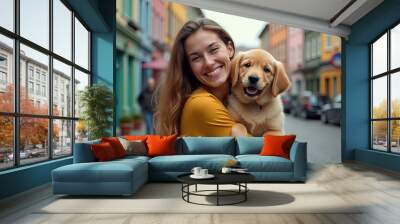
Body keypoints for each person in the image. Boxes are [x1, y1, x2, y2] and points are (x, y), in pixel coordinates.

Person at [154, 18, 247, 136]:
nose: (208, 62)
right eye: (196, 58)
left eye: (213, 50)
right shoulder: (202, 104)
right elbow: (263, 151)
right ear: (189, 67)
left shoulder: (236, 99)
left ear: (230, 49)